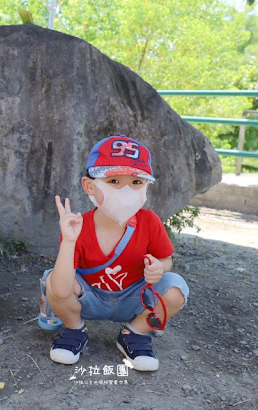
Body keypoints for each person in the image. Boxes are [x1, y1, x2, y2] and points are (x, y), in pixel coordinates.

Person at [44, 135, 189, 371]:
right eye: (113, 180)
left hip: (133, 298)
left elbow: (166, 260)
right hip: (89, 297)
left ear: (146, 186)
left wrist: (159, 268)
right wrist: (69, 241)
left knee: (176, 288)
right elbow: (60, 290)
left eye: (136, 182)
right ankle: (74, 329)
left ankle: (134, 334)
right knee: (54, 280)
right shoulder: (77, 226)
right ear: (89, 186)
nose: (126, 191)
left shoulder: (150, 221)